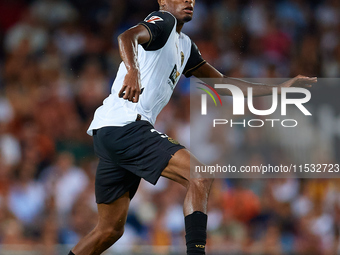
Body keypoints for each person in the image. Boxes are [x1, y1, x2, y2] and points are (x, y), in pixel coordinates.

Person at [68, 0, 316, 254]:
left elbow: (223, 84)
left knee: (109, 230)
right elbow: (127, 36)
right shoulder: (163, 22)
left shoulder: (185, 46)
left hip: (111, 131)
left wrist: (279, 88)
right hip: (126, 125)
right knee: (200, 174)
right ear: (163, 1)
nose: (189, 1)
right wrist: (132, 71)